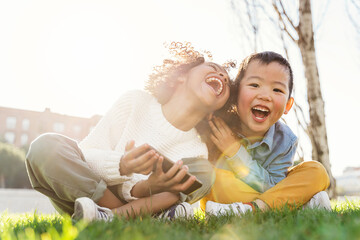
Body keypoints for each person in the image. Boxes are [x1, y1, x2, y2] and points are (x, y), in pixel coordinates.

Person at [25, 42, 232, 221]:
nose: (222, 75)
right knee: (46, 147)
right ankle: (123, 216)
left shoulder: (197, 151)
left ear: (216, 110)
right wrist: (121, 165)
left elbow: (174, 192)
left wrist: (146, 188)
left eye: (227, 82)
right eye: (214, 68)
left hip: (143, 203)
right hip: (89, 198)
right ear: (181, 76)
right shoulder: (135, 101)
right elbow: (87, 153)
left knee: (204, 172)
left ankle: (110, 218)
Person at [199, 51, 331, 215]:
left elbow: (274, 186)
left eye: (277, 90)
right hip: (225, 193)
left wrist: (235, 152)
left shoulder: (285, 140)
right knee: (213, 178)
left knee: (317, 171)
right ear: (235, 93)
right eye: (254, 85)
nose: (265, 96)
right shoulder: (218, 123)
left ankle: (252, 210)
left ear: (288, 105)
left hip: (262, 195)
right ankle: (298, 206)